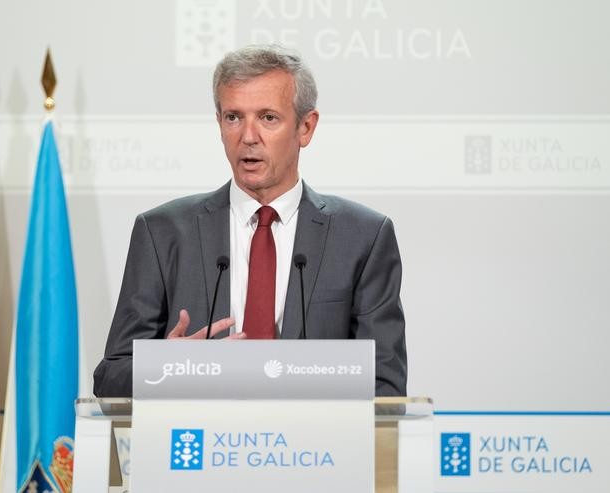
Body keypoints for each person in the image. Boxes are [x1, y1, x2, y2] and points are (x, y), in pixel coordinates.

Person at [93, 45, 407, 397]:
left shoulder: (362, 237)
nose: (248, 136)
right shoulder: (163, 232)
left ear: (306, 127)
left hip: (313, 449)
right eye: (233, 117)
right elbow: (110, 377)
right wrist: (168, 368)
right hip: (200, 443)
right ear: (219, 123)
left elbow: (386, 386)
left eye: (268, 117)